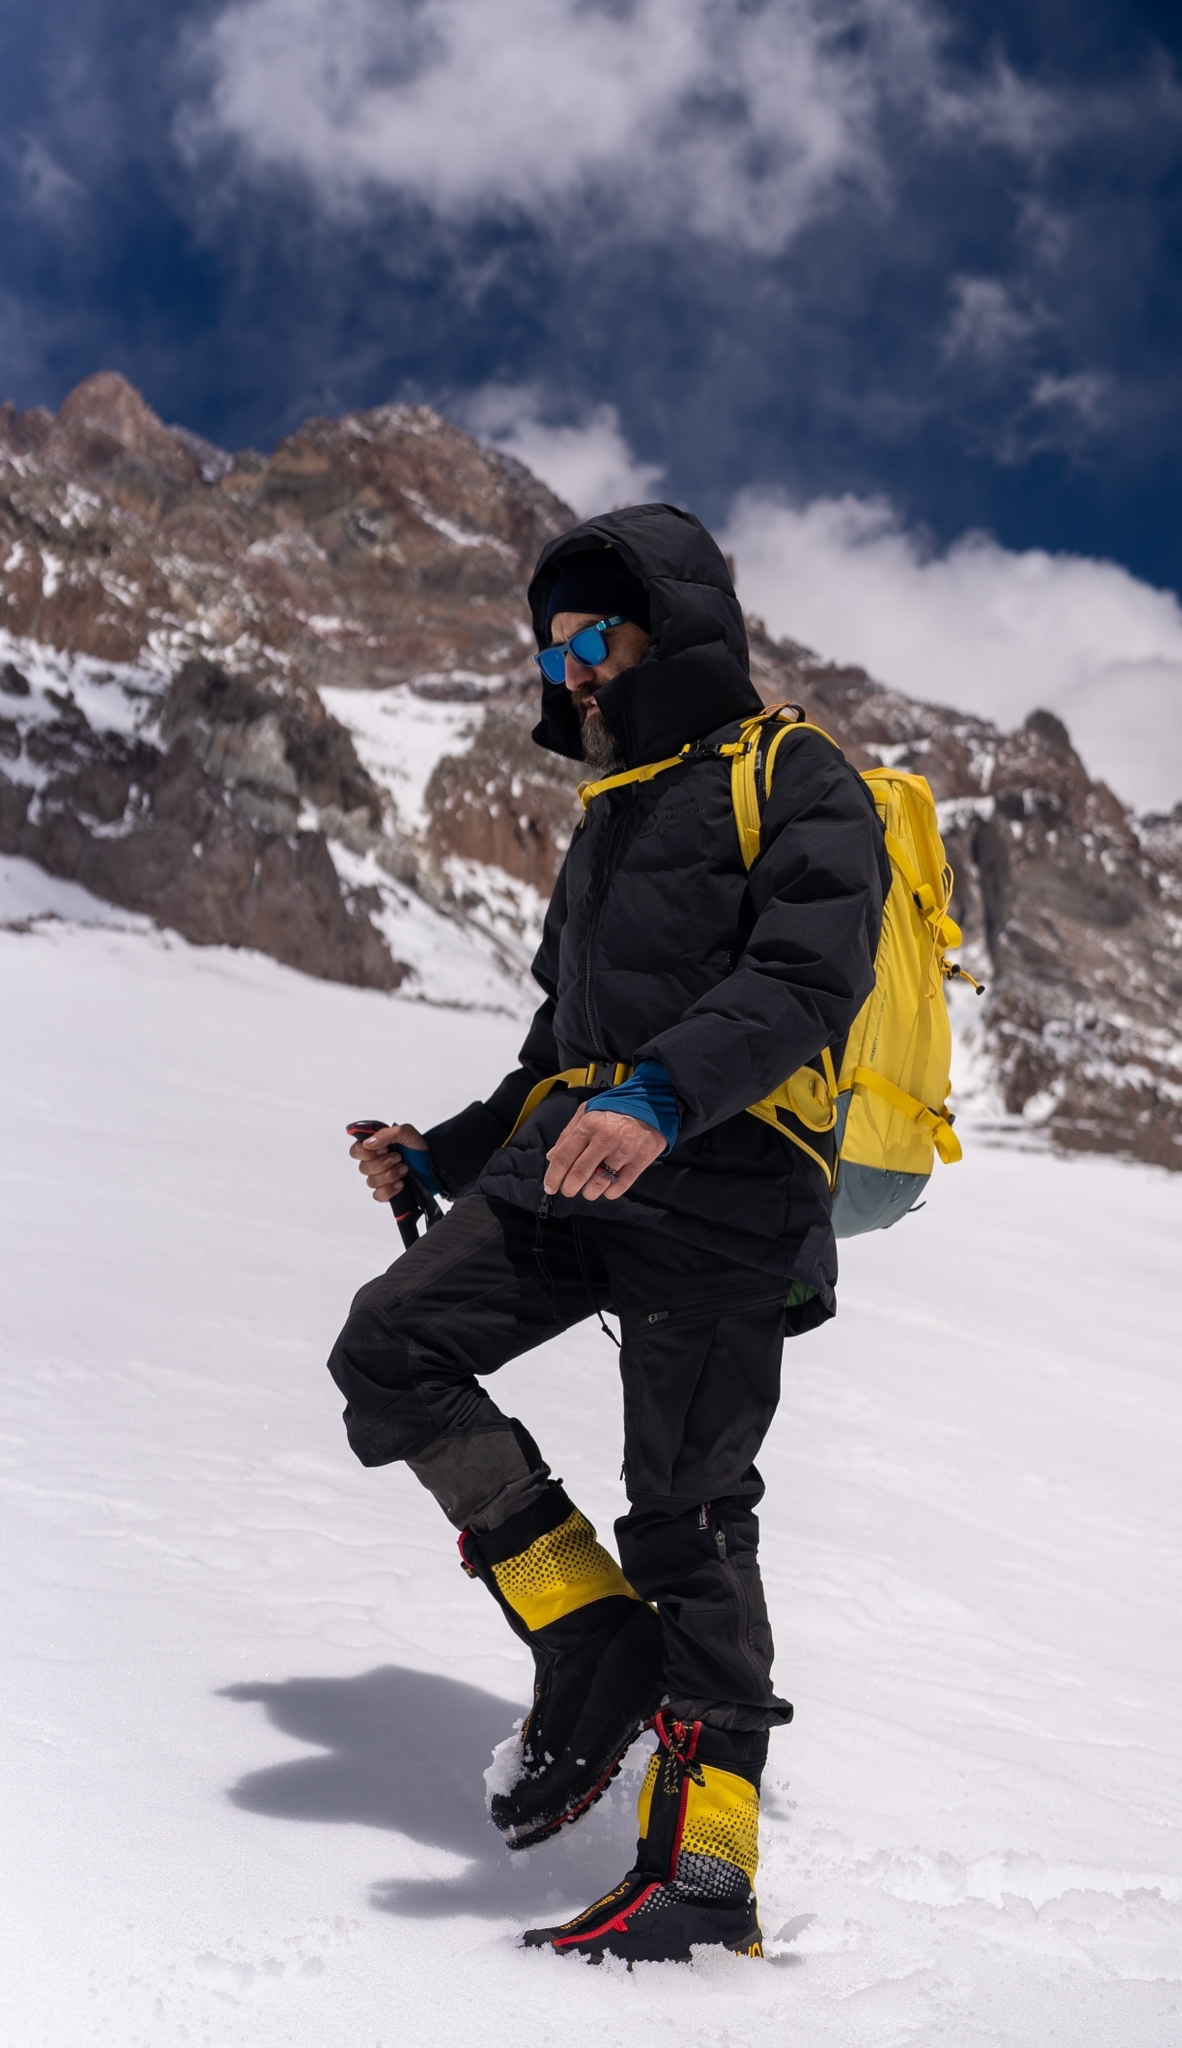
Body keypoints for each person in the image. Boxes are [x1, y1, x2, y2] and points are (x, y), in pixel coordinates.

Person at [327, 503, 888, 1963]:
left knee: (689, 1516)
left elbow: (806, 978)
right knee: (391, 1346)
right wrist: (443, 1152)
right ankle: (589, 1630)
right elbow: (555, 1055)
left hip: (729, 1190)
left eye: (597, 636)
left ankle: (704, 1874)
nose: (572, 669)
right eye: (553, 647)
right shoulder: (611, 814)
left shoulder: (795, 774)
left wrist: (663, 1095)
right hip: (578, 1170)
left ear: (674, 628)